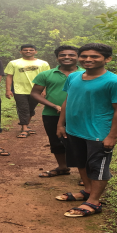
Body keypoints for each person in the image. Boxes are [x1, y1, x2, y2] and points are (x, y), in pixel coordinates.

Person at [56, 43, 117, 218]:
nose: (88, 59)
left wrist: (112, 136)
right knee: (81, 162)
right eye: (84, 56)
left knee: (98, 167)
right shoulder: (73, 77)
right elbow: (68, 100)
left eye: (95, 56)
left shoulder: (114, 82)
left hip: (98, 133)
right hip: (74, 130)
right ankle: (88, 191)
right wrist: (61, 124)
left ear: (107, 59)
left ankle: (94, 202)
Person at [30, 45, 84, 181]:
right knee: (56, 141)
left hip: (80, 115)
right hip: (51, 114)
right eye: (62, 55)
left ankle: (85, 174)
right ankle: (63, 167)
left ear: (78, 57)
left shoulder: (86, 73)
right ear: (57, 58)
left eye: (71, 55)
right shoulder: (46, 74)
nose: (67, 57)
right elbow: (35, 93)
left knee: (82, 143)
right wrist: (53, 105)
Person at [4, 44, 50, 138]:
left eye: (31, 50)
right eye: (25, 50)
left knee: (31, 109)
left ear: (35, 52)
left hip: (36, 91)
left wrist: (44, 90)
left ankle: (26, 125)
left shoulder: (43, 63)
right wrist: (8, 90)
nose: (28, 51)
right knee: (23, 109)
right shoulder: (14, 63)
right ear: (21, 52)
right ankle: (24, 128)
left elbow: (46, 78)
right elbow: (9, 76)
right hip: (19, 90)